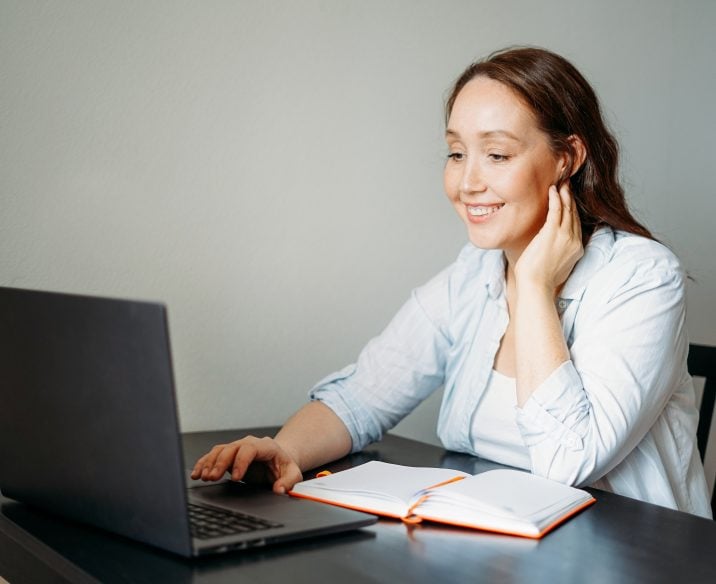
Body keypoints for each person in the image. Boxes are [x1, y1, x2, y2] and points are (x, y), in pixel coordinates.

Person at [192, 47, 712, 518]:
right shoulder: (474, 273)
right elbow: (364, 396)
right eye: (457, 153)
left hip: (634, 556)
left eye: (498, 154)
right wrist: (285, 451)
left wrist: (533, 288)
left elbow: (567, 463)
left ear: (566, 158)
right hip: (498, 546)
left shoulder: (643, 277)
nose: (467, 183)